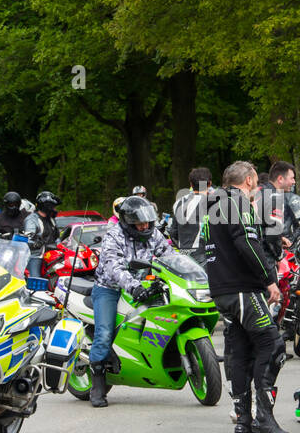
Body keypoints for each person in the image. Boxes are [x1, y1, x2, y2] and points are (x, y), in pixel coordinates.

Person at [203, 160, 289, 433]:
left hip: (223, 290)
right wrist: (269, 279)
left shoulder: (213, 204)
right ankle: (264, 417)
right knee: (273, 346)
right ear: (250, 180)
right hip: (242, 289)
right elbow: (246, 242)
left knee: (239, 350)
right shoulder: (234, 201)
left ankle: (244, 420)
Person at [89, 196, 172, 407]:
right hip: (110, 288)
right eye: (139, 223)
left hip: (143, 285)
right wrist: (133, 286)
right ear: (127, 222)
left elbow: (169, 256)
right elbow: (114, 268)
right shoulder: (113, 236)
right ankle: (98, 383)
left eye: (147, 222)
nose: (144, 226)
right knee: (104, 333)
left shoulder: (154, 234)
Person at [258, 160, 300, 259]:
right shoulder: (274, 197)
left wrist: (280, 238)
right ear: (280, 179)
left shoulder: (261, 191)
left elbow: (262, 228)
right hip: (265, 257)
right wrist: (279, 256)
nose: (294, 182)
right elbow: (272, 234)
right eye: (292, 178)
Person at [171, 167, 212, 257]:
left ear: (191, 184)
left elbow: (173, 233)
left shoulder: (179, 202)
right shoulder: (212, 202)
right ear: (209, 184)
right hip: (204, 255)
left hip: (184, 256)